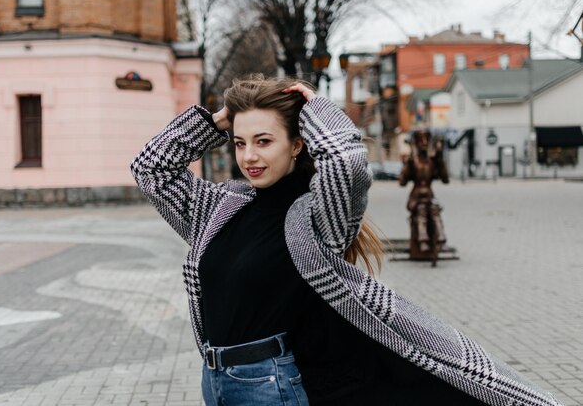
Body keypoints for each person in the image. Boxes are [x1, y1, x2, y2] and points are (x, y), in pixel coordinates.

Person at [131, 76, 562, 406]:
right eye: (241, 143)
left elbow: (347, 163)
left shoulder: (315, 217)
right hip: (215, 379)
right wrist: (219, 119)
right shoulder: (219, 206)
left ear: (297, 144)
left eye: (264, 141)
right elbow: (151, 170)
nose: (249, 156)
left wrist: (315, 106)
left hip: (271, 383)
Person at [399, 129, 449, 254]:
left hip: (429, 196)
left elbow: (445, 180)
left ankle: (441, 238)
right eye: (421, 140)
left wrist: (440, 159)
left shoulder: (432, 161)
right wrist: (408, 166)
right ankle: (423, 241)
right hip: (415, 198)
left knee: (434, 210)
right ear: (416, 143)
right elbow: (402, 183)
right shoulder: (413, 161)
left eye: (427, 139)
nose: (424, 143)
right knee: (421, 210)